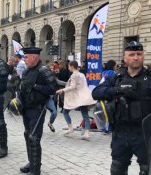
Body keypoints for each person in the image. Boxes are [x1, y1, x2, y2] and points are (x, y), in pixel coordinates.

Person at [92, 41, 149, 175]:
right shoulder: (116, 78)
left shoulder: (149, 77)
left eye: (139, 54)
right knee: (117, 169)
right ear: (124, 58)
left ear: (143, 56)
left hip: (145, 135)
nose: (136, 57)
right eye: (132, 54)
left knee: (147, 170)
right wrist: (118, 90)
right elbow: (96, 93)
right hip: (120, 133)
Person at [18, 47, 57, 175]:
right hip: (26, 109)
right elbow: (23, 87)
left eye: (27, 57)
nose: (25, 59)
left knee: (34, 138)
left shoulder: (43, 70)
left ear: (34, 57)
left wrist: (35, 86)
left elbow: (53, 88)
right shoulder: (26, 71)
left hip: (37, 109)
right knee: (27, 135)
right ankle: (32, 162)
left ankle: (36, 170)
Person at [56, 61, 96, 140]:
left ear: (71, 66)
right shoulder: (81, 74)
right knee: (85, 114)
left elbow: (72, 87)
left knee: (65, 112)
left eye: (69, 66)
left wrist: (62, 90)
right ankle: (87, 132)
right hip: (84, 96)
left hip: (77, 97)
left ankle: (71, 128)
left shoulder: (74, 75)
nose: (68, 68)